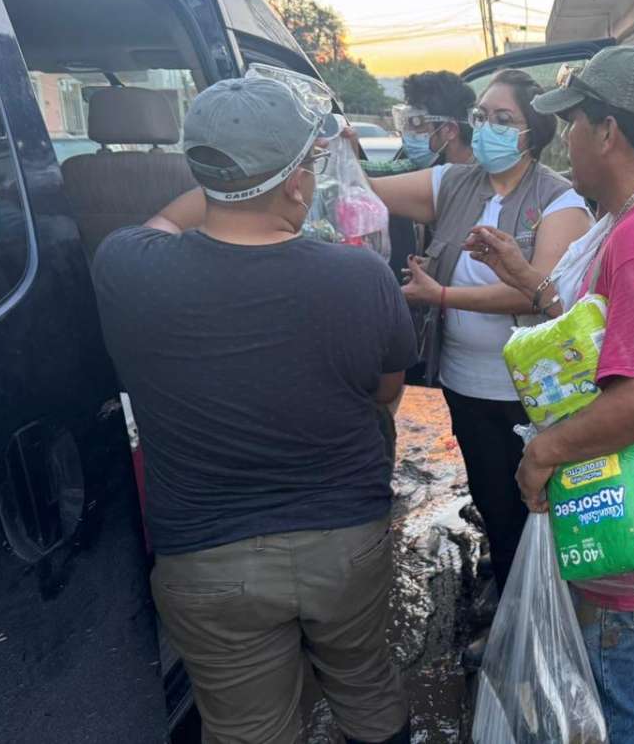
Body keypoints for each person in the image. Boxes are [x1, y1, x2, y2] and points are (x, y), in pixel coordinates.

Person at [91, 74, 417, 744]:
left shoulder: (126, 266)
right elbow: (386, 394)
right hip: (345, 543)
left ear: (199, 169)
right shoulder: (359, 277)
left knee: (247, 730)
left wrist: (219, 190)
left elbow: (163, 223)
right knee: (365, 688)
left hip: (206, 561)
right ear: (298, 182)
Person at [472, 45, 634, 743]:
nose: (566, 141)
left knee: (621, 711)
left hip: (633, 519)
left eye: (574, 124)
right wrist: (530, 278)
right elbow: (612, 328)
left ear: (608, 130)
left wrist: (545, 452)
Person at [368, 69, 591, 604]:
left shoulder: (561, 202)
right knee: (492, 495)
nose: (487, 127)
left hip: (528, 391)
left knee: (533, 500)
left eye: (503, 119)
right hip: (465, 380)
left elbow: (536, 291)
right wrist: (335, 157)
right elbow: (368, 191)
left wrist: (440, 296)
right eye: (481, 116)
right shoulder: (452, 182)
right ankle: (513, 591)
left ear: (532, 133)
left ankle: (534, 611)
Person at [359, 69, 476, 177]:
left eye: (417, 123)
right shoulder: (421, 165)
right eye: (404, 123)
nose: (407, 134)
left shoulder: (478, 180)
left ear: (450, 130)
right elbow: (379, 171)